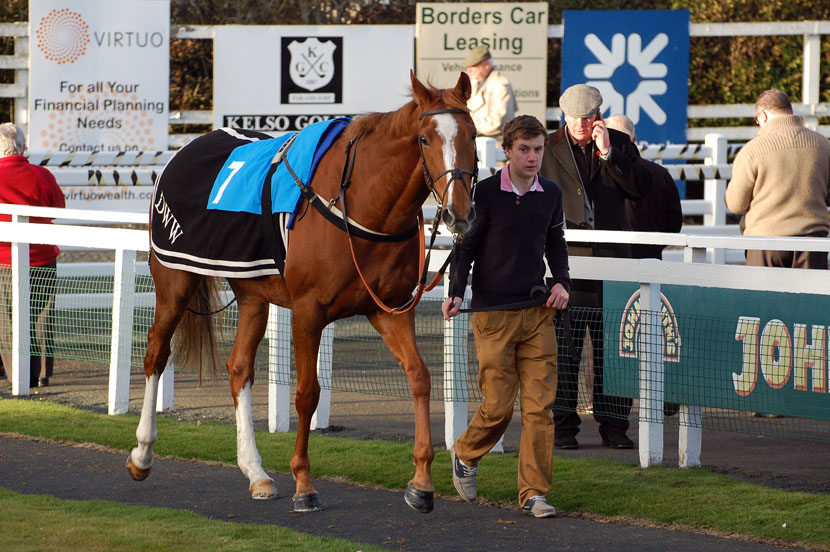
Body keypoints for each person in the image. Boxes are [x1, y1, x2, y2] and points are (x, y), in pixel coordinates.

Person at [442, 115, 570, 518]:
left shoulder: (551, 193)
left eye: (538, 149)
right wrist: (456, 292)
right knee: (498, 406)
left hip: (537, 313)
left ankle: (534, 493)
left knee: (539, 408)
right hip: (493, 316)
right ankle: (466, 453)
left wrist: (561, 282)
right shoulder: (484, 194)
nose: (533, 157)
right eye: (524, 150)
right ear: (508, 151)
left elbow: (556, 242)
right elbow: (465, 249)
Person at [539, 84, 651, 450]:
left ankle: (614, 428)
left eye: (587, 118)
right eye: (574, 118)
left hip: (612, 265)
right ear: (564, 115)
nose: (580, 125)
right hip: (565, 265)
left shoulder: (619, 144)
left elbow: (639, 189)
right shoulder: (547, 147)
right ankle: (563, 428)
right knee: (564, 352)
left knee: (611, 352)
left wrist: (608, 154)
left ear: (599, 115)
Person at [725, 88, 830, 269]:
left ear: (763, 116)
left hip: (765, 241)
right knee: (809, 289)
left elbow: (736, 204)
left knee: (765, 289)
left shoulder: (752, 151)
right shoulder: (823, 145)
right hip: (813, 240)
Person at [0, 123, 65, 388]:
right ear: (23, 147)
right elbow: (58, 207)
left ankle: (18, 374)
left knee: (7, 320)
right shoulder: (42, 174)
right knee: (41, 317)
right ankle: (41, 373)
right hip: (43, 257)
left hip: (4, 259)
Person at [605, 114, 683, 259]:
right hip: (651, 255)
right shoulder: (660, 173)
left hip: (609, 256)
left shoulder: (599, 172)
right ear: (634, 138)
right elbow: (674, 224)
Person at [463, 45, 518, 143]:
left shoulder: (500, 85)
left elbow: (498, 122)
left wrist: (467, 125)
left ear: (486, 65)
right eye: (468, 67)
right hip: (475, 141)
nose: (469, 70)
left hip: (496, 144)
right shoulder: (473, 83)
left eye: (473, 66)